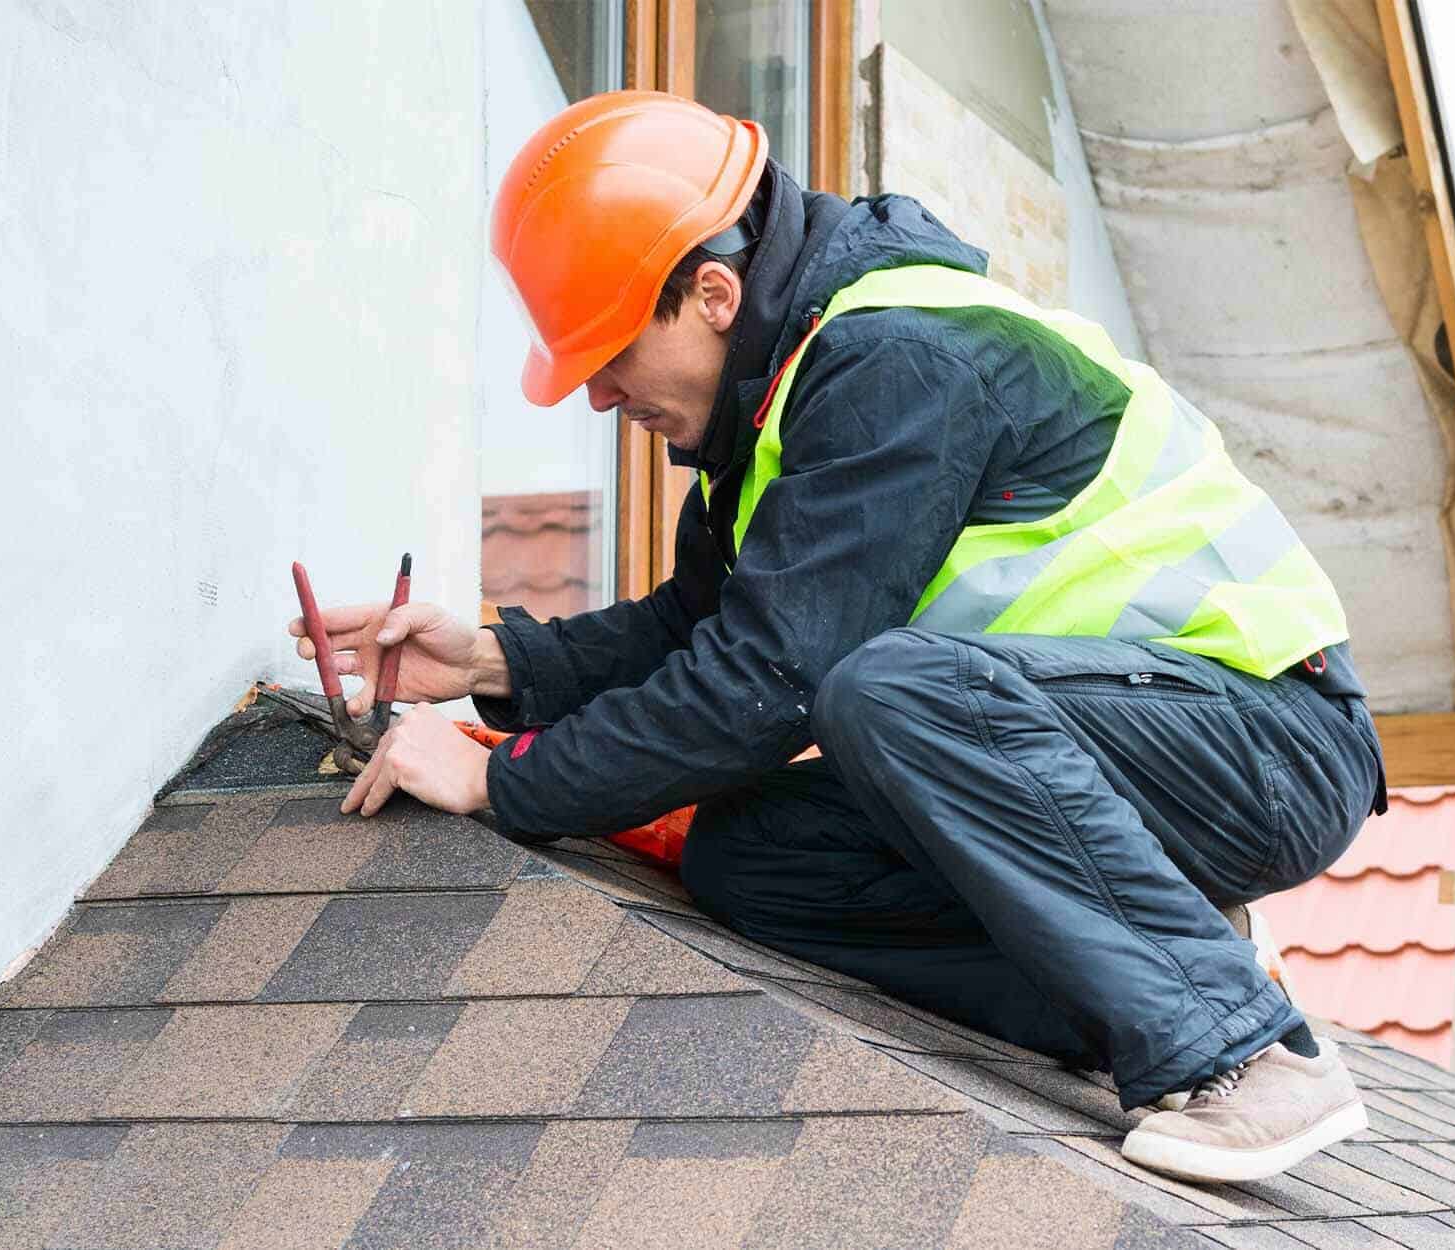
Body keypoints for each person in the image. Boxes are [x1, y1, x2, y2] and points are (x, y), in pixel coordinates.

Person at [288, 91, 1388, 1185]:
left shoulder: (897, 360)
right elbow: (705, 630)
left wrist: (505, 785)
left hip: (1269, 738)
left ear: (712, 293)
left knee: (882, 691)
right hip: (1106, 755)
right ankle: (1147, 981)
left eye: (610, 353)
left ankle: (1246, 1053)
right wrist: (490, 661)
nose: (597, 397)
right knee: (750, 854)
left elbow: (766, 683)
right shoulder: (778, 411)